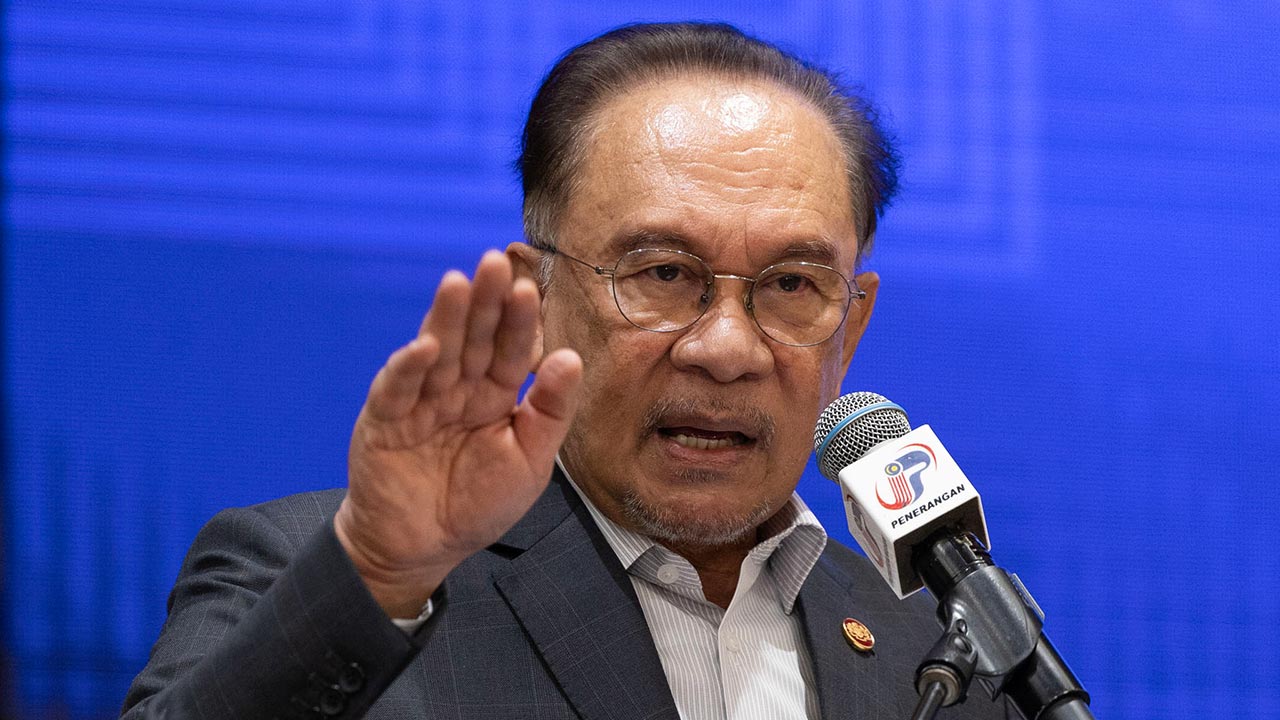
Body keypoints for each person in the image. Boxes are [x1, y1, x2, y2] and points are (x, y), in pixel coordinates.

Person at [122, 22, 1010, 720]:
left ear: (849, 329)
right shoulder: (335, 580)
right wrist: (379, 572)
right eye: (662, 274)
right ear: (538, 297)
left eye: (790, 286)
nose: (726, 349)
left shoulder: (940, 650)